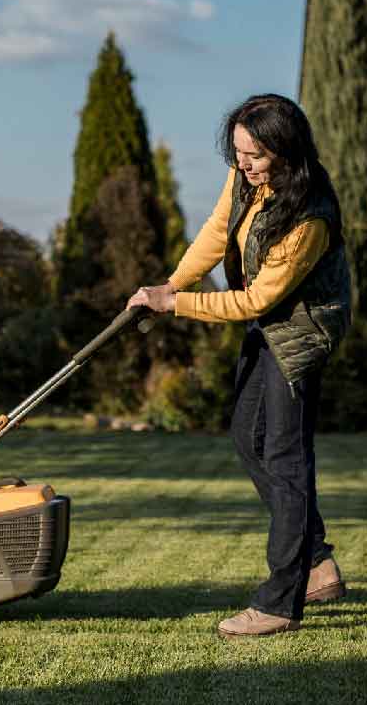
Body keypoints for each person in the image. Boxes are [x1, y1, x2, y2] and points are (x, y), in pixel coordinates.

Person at [128, 93, 351, 638]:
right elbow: (215, 228)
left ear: (284, 149)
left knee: (286, 456)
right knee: (247, 439)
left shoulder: (309, 217)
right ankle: (316, 561)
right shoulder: (246, 178)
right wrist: (171, 283)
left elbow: (254, 303)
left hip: (298, 333)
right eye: (237, 152)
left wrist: (175, 305)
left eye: (254, 155)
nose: (243, 164)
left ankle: (280, 602)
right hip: (267, 321)